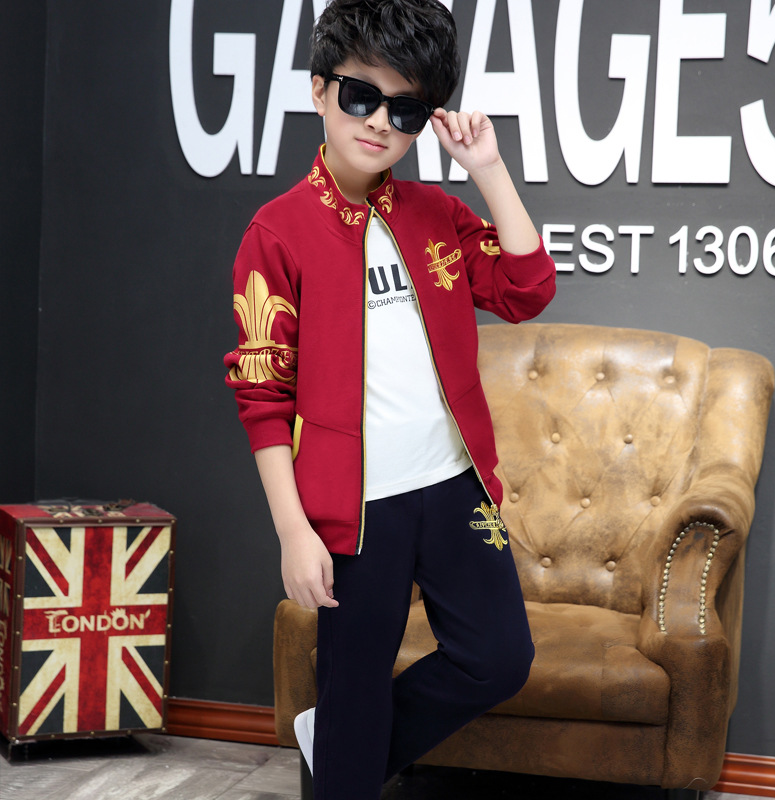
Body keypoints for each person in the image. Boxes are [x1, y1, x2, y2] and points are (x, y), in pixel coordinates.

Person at [224, 1, 556, 797]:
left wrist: (488, 169)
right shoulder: (277, 233)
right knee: (356, 687)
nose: (379, 122)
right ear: (319, 90)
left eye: (405, 109)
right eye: (360, 95)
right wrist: (293, 531)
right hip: (355, 508)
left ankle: (338, 744)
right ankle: (343, 745)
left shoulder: (436, 215)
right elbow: (262, 397)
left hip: (452, 488)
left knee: (498, 659)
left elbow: (527, 289)